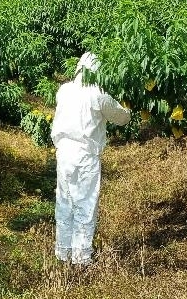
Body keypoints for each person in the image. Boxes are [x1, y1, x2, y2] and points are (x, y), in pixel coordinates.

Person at [50, 52, 130, 266]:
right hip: (85, 154)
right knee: (85, 204)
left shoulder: (64, 90)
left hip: (63, 153)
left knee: (65, 201)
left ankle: (63, 254)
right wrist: (128, 107)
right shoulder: (98, 93)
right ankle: (82, 259)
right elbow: (122, 117)